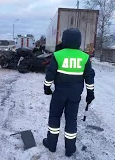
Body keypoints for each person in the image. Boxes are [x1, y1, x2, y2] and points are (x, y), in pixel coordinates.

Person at [42, 28, 95, 157]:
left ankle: (51, 144)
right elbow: (89, 77)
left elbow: (50, 74)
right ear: (79, 41)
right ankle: (70, 149)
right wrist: (90, 93)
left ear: (65, 40)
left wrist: (47, 88)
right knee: (71, 120)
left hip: (59, 94)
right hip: (75, 95)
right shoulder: (85, 57)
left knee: (55, 117)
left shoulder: (58, 55)